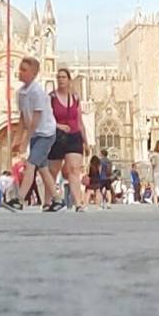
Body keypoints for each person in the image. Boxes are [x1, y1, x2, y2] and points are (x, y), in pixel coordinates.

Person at [15, 56, 56, 208]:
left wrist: (25, 141)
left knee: (31, 164)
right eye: (20, 69)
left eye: (24, 70)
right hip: (36, 134)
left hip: (45, 133)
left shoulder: (37, 92)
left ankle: (19, 199)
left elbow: (36, 118)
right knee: (43, 169)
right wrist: (17, 139)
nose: (20, 72)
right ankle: (57, 199)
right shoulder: (21, 93)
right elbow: (23, 117)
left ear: (33, 73)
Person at [48, 67, 88, 211]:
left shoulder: (75, 98)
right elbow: (46, 119)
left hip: (74, 136)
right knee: (53, 171)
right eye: (58, 77)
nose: (61, 80)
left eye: (64, 77)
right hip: (57, 136)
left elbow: (80, 121)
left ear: (69, 80)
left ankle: (78, 203)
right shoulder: (51, 97)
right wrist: (58, 126)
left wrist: (86, 141)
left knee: (74, 169)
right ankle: (49, 201)